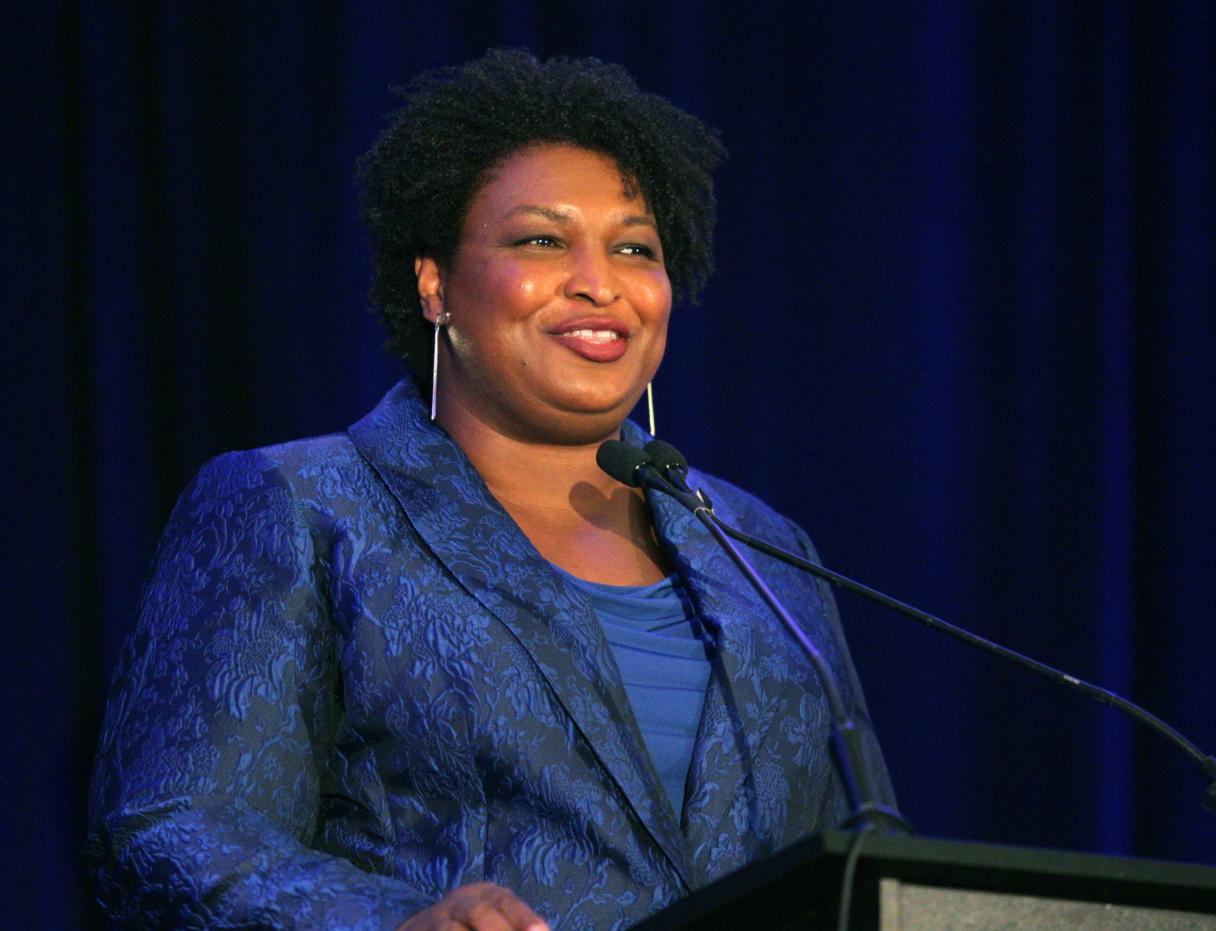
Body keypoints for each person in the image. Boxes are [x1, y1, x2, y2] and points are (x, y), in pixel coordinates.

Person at [86, 49, 894, 930]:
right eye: (541, 240)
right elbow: (171, 833)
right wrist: (395, 923)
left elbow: (869, 862)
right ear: (436, 283)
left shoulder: (760, 549)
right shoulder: (303, 505)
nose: (600, 282)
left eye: (634, 247)